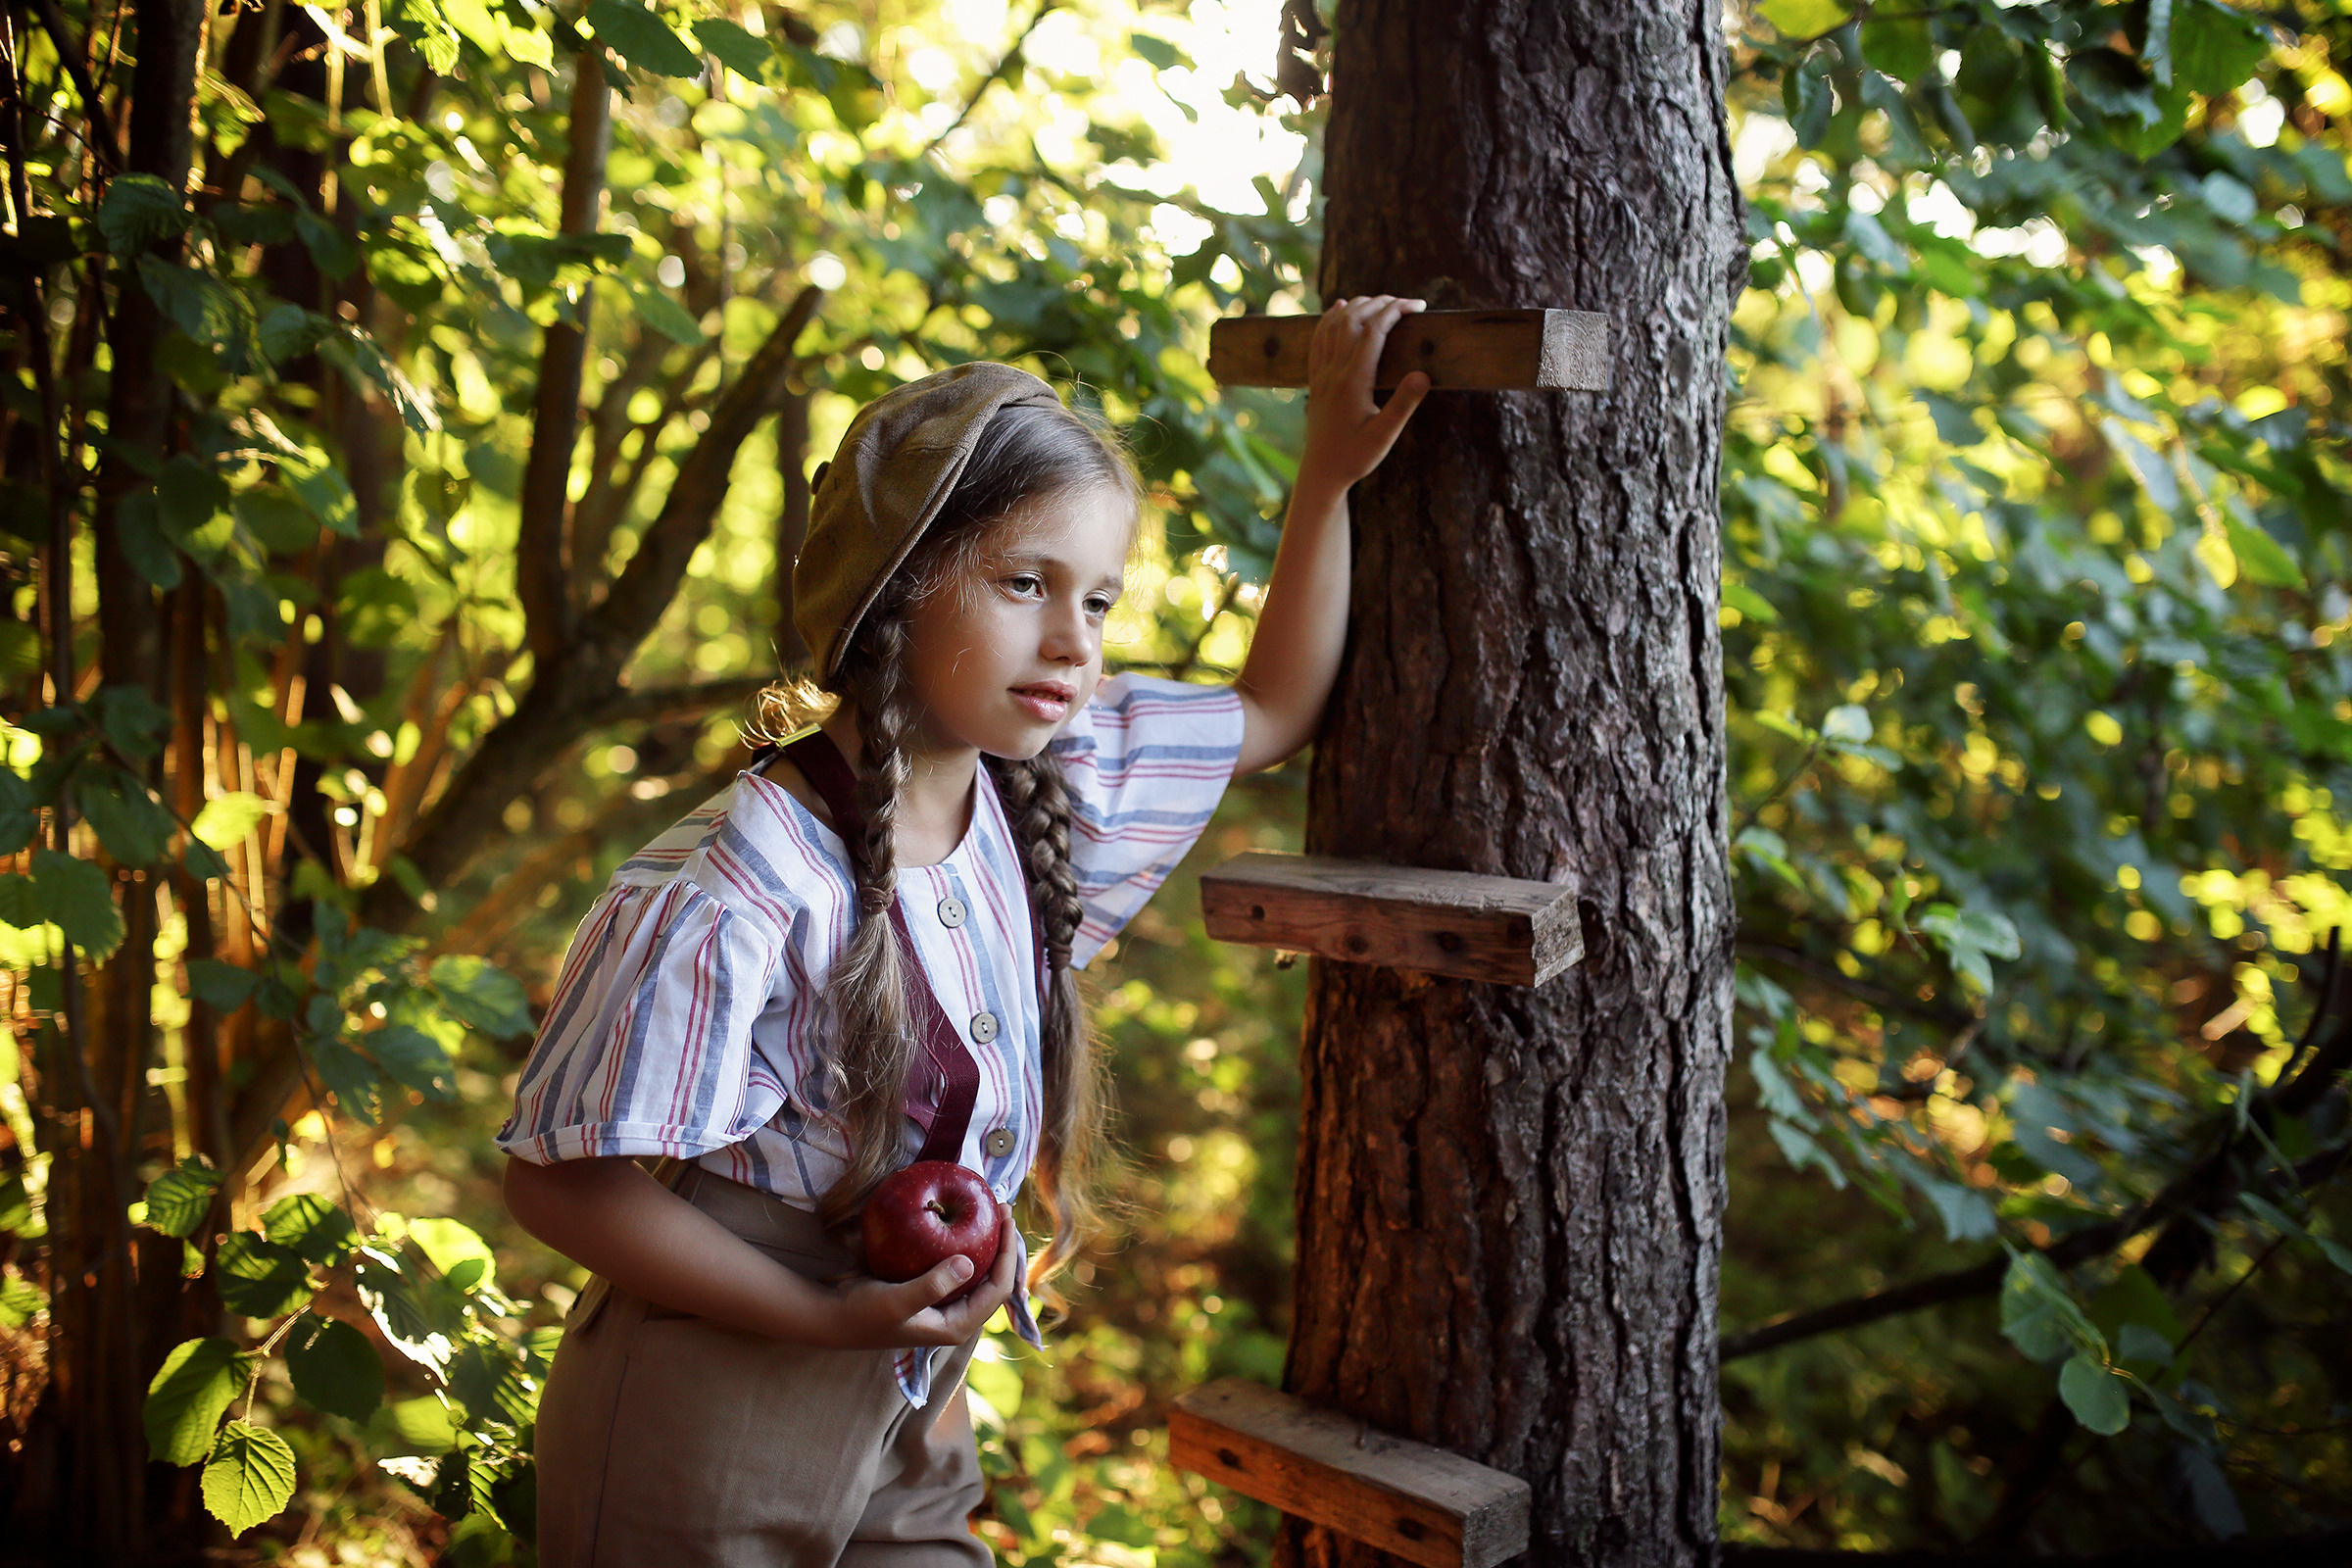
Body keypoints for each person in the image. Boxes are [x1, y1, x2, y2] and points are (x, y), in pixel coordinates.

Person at [498, 296, 1430, 1567]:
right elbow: (558, 1185)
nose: (1074, 643)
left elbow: (1272, 710)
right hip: (706, 1404)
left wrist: (1325, 471)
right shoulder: (740, 885)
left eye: (1098, 602)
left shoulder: (1043, 790)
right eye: (1023, 583)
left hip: (911, 1404)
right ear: (893, 588)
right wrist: (825, 1321)